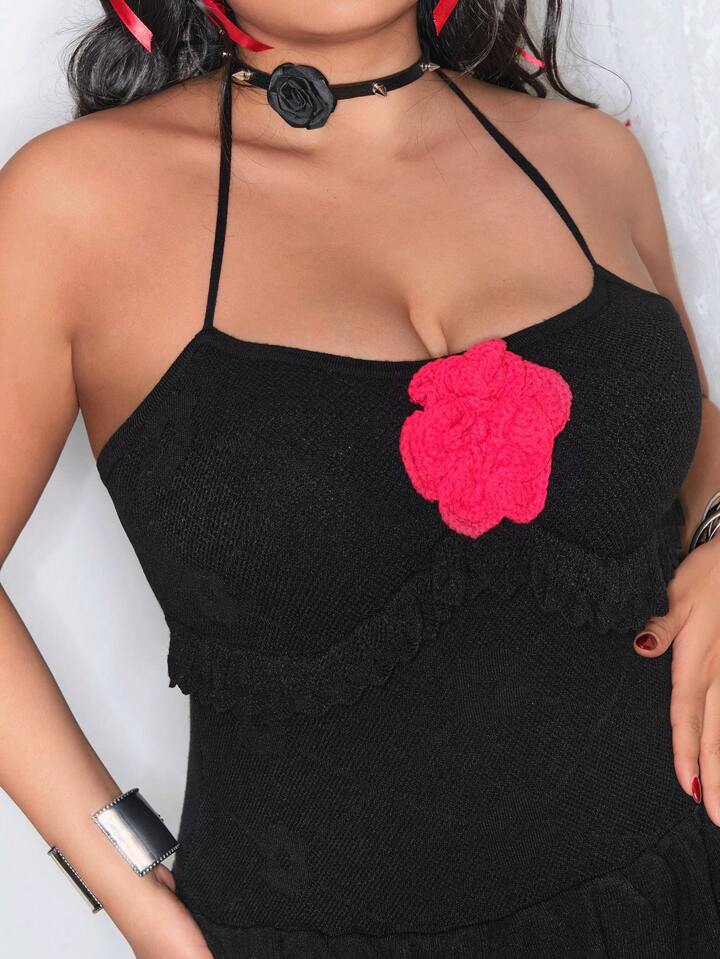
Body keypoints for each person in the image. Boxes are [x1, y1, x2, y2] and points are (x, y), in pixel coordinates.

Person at [1, 2, 719, 957]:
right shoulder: (73, 205)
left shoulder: (589, 157)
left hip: (678, 893)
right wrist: (135, 889)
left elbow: (685, 425)